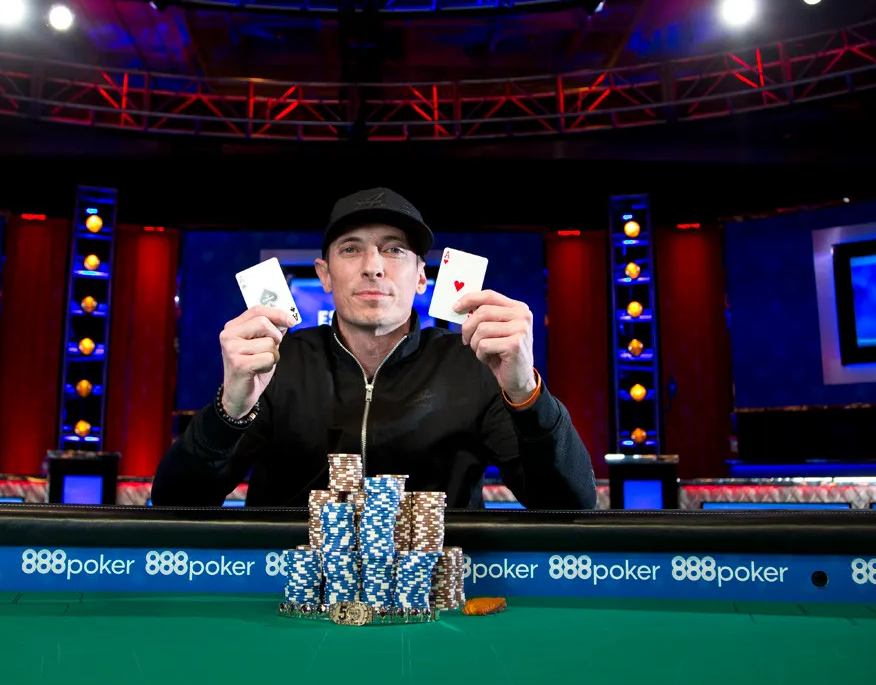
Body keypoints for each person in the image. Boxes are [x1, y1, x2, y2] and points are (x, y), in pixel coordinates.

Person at [152, 188, 597, 510]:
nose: (373, 267)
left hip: (436, 600)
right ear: (325, 275)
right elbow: (174, 503)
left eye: (394, 250)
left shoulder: (476, 366)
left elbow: (569, 505)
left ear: (421, 277)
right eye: (351, 249)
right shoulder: (277, 364)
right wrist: (230, 409)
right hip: (289, 598)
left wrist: (525, 394)